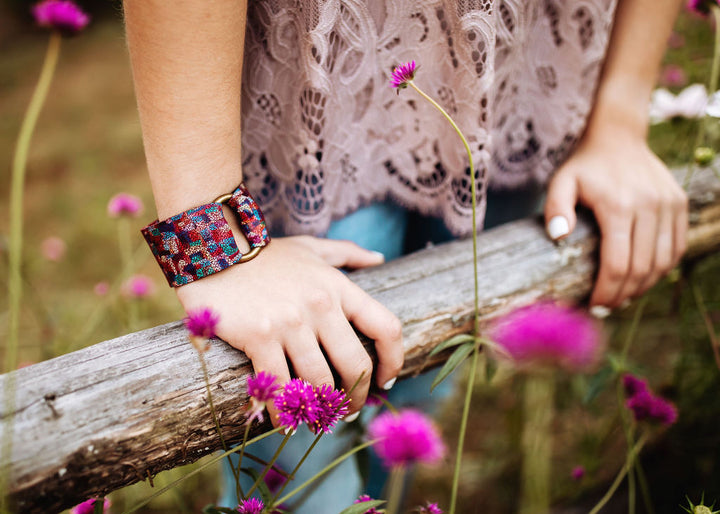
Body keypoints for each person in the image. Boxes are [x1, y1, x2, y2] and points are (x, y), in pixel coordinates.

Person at [123, 0, 688, 511]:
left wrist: (619, 118)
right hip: (318, 108)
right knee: (301, 471)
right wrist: (210, 235)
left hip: (525, 88)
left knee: (410, 404)